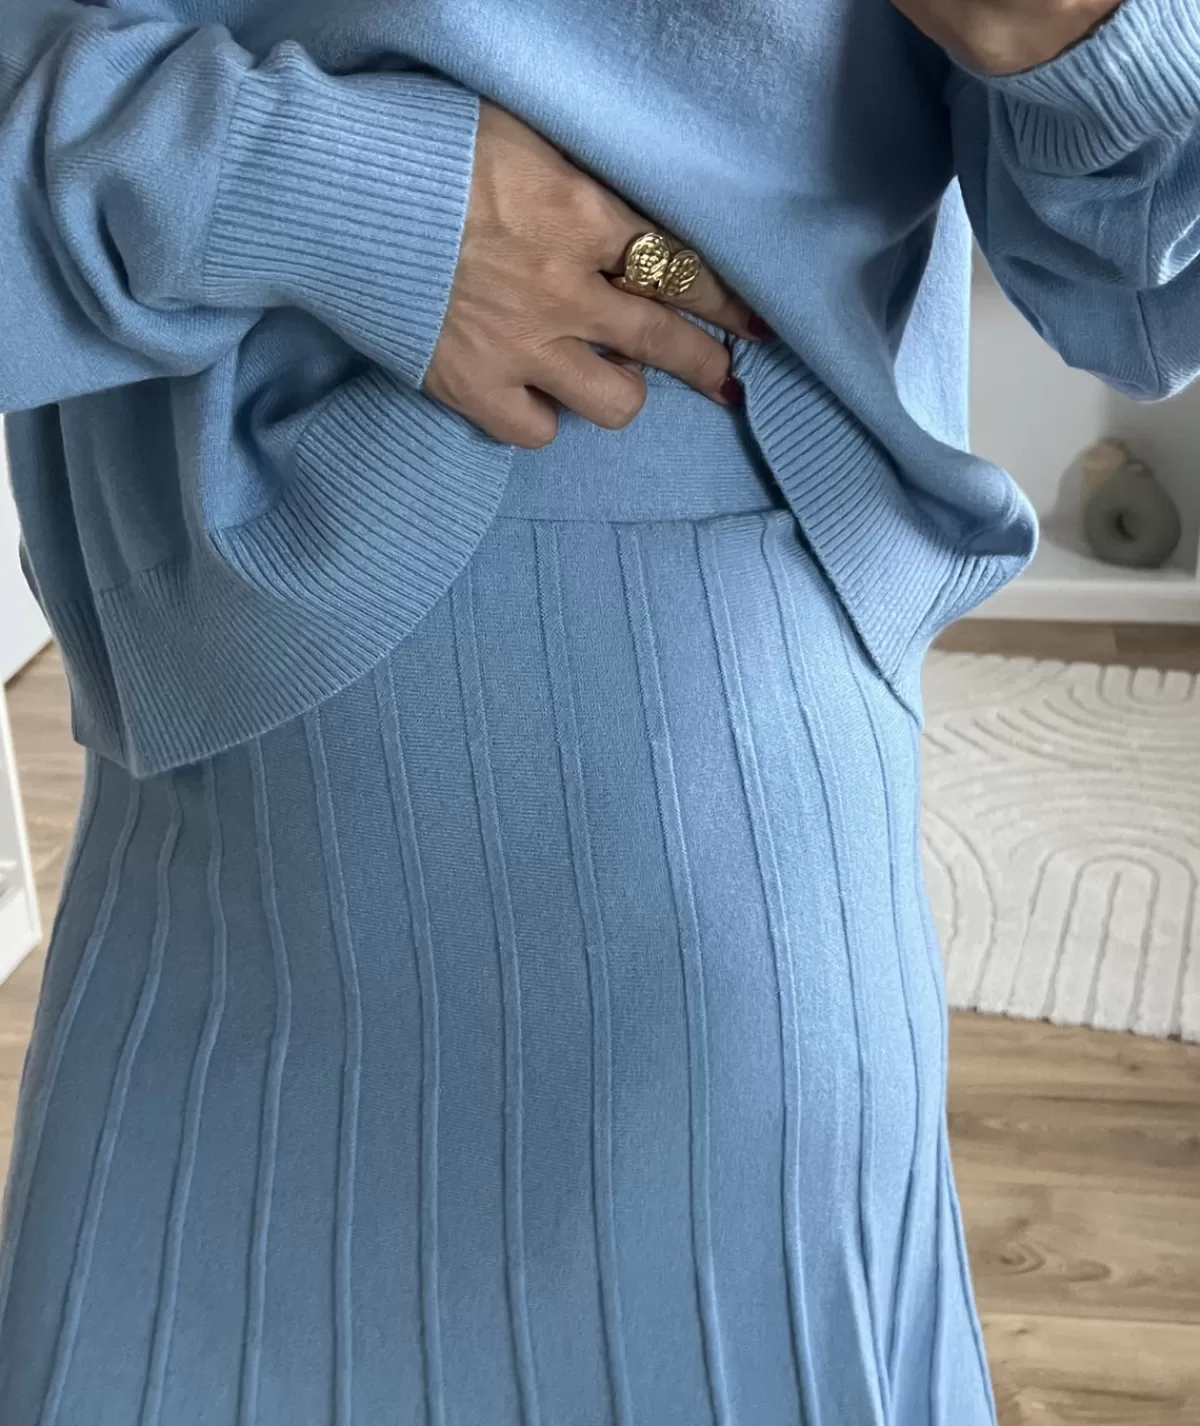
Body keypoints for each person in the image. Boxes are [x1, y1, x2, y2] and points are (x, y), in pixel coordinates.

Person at [1, 0, 1197, 1421]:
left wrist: (1086, 36)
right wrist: (336, 194)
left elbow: (1144, 288)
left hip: (697, 807)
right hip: (200, 811)